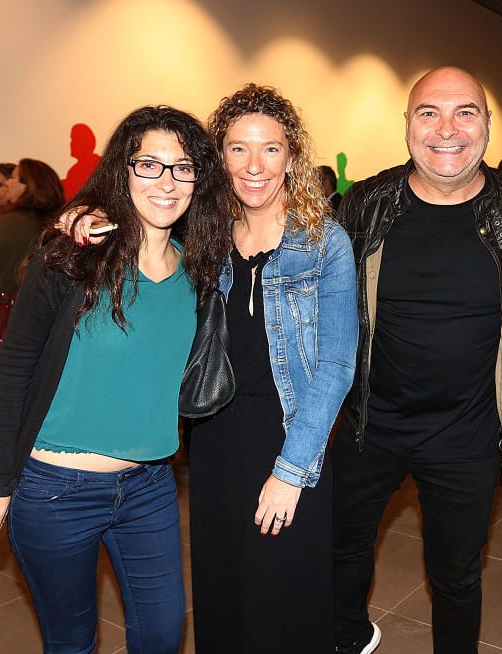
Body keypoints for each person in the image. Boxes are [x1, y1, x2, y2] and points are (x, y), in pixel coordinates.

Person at [0, 105, 231, 653]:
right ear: (122, 170)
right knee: (72, 642)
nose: (167, 181)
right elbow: (15, 364)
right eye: (149, 165)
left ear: (198, 180)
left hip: (149, 488)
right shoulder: (72, 256)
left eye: (182, 167)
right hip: (54, 489)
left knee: (162, 635)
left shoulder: (200, 270)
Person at [334, 66, 502, 654]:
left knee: (457, 577)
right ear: (408, 125)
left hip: (467, 434)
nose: (447, 129)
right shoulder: (367, 202)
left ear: (488, 126)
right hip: (371, 422)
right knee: (339, 549)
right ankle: (346, 638)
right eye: (429, 113)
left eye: (466, 112)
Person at [188, 84, 357, 654]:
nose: (254, 166)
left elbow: (336, 365)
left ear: (292, 156)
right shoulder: (203, 238)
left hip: (292, 436)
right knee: (223, 591)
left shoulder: (324, 242)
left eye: (271, 149)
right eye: (238, 149)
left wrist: (290, 472)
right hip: (215, 440)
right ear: (219, 158)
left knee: (282, 598)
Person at [0, 158, 64, 406]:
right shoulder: (60, 224)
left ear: (28, 187)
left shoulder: (7, 222)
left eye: (13, 177)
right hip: (50, 330)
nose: (7, 182)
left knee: (2, 403)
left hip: (9, 329)